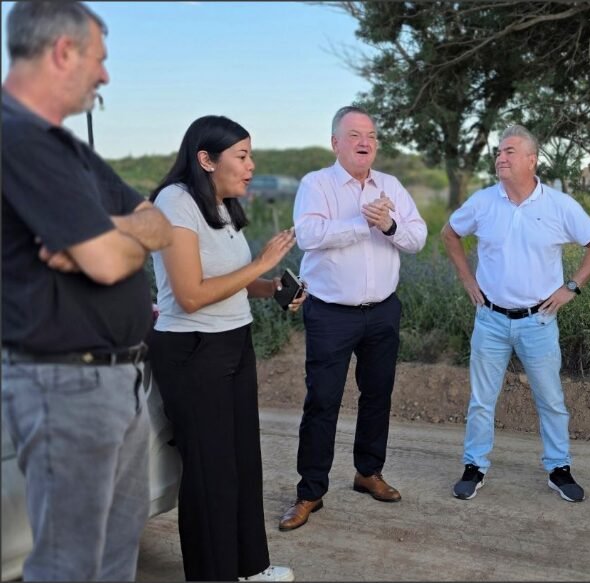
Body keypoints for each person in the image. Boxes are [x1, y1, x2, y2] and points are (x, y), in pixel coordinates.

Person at [0, 2, 173, 580]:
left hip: (117, 379)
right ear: (63, 51)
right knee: (70, 565)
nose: (105, 75)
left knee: (115, 557)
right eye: (99, 59)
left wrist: (108, 230)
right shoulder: (16, 136)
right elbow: (103, 265)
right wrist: (112, 240)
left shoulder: (70, 150)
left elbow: (159, 224)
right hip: (63, 383)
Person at [147, 115, 300, 582]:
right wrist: (261, 261)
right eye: (242, 156)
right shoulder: (174, 203)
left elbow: (228, 281)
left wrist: (271, 285)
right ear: (206, 160)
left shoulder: (222, 204)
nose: (251, 166)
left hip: (234, 341)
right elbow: (191, 294)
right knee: (209, 470)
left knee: (241, 460)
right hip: (192, 351)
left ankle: (250, 566)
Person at [441, 124, 590, 503]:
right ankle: (474, 466)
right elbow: (449, 233)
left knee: (550, 399)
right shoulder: (483, 202)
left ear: (532, 160)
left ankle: (558, 468)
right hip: (490, 318)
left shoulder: (559, 205)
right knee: (482, 400)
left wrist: (572, 287)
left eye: (510, 151)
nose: (500, 157)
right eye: (499, 151)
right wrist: (467, 278)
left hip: (538, 322)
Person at [279, 105, 427, 531]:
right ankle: (310, 492)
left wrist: (391, 224)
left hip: (383, 310)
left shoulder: (392, 186)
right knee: (322, 400)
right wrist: (366, 224)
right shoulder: (317, 184)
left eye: (372, 136)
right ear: (335, 143)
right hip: (330, 313)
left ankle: (368, 472)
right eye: (356, 134)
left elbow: (416, 238)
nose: (366, 142)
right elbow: (308, 235)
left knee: (377, 394)